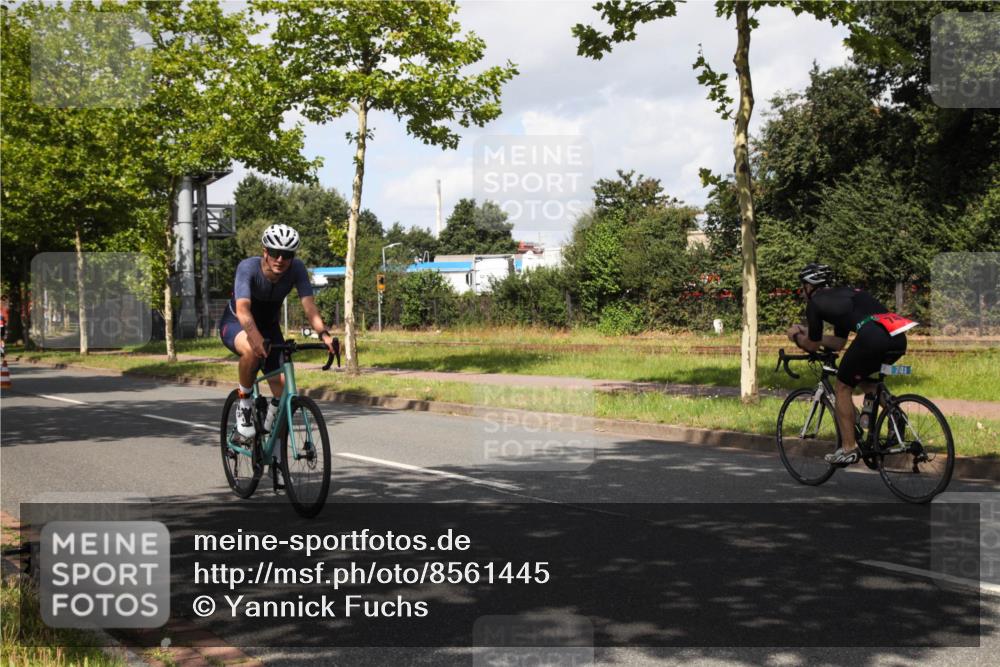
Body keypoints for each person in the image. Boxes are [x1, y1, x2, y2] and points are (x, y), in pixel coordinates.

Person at [786, 263, 916, 466]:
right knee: (865, 380)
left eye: (802, 287)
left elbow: (812, 345)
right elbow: (839, 343)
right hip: (897, 337)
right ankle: (895, 415)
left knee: (842, 387)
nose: (802, 292)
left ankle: (848, 448)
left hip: (872, 338)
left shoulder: (815, 304)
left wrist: (795, 336)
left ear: (809, 286)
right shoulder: (846, 294)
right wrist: (809, 333)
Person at [219, 224, 336, 441]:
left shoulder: (296, 269)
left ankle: (272, 440)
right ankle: (244, 405)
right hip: (237, 323)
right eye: (275, 253)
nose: (280, 259)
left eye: (287, 255)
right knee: (252, 351)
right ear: (265, 251)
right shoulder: (248, 268)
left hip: (269, 327)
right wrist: (255, 338)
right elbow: (243, 310)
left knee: (284, 393)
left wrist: (324, 335)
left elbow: (309, 307)